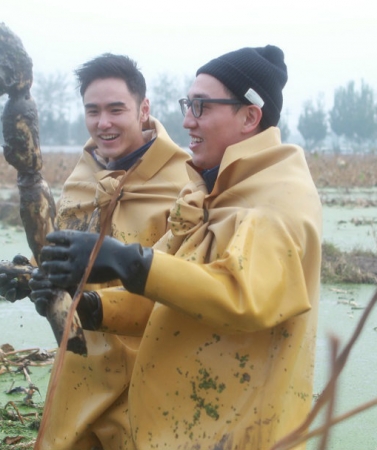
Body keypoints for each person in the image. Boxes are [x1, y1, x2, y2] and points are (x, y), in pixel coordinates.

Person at [34, 45, 323, 448]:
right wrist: (89, 307)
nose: (186, 120)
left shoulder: (278, 200)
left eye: (201, 106)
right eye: (188, 104)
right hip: (178, 422)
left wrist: (126, 261)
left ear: (250, 116)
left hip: (237, 427)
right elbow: (165, 292)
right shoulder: (209, 190)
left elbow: (243, 297)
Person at [0, 53, 190, 449]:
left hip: (150, 371)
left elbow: (181, 282)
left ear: (144, 109)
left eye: (117, 109)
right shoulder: (81, 179)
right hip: (81, 365)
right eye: (92, 111)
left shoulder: (183, 183)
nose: (103, 123)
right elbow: (66, 253)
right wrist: (30, 273)